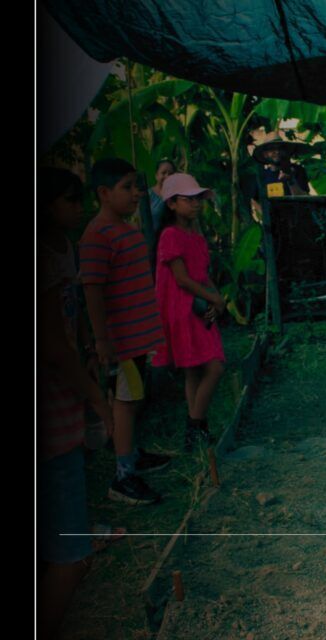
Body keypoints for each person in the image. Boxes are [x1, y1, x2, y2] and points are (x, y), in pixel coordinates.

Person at [37, 168, 113, 639]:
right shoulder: (46, 259)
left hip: (61, 402)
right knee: (70, 558)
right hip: (53, 410)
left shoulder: (63, 249)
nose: (78, 208)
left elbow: (70, 331)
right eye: (70, 200)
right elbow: (52, 345)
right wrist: (96, 401)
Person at [79, 158, 170, 506]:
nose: (137, 193)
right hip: (120, 341)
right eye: (127, 187)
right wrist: (102, 340)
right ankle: (123, 476)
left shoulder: (126, 230)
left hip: (138, 337)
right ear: (104, 193)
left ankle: (131, 454)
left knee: (133, 400)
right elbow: (92, 290)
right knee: (125, 403)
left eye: (137, 186)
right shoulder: (98, 236)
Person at [153, 174, 226, 450]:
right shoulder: (170, 235)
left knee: (195, 370)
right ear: (172, 204)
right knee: (215, 366)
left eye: (198, 199)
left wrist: (216, 299)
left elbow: (202, 274)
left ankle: (197, 427)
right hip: (183, 309)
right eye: (189, 199)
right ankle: (195, 425)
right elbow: (182, 279)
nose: (196, 205)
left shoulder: (196, 235)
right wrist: (214, 299)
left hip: (199, 305)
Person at [247, 128, 310, 209]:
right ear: (265, 154)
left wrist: (291, 181)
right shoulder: (261, 176)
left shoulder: (297, 170)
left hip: (297, 219)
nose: (277, 151)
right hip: (274, 220)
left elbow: (305, 199)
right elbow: (254, 200)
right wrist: (265, 216)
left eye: (280, 148)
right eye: (272, 149)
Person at [148, 158, 176, 231]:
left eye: (170, 174)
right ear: (156, 175)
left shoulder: (176, 196)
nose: (167, 176)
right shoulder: (147, 195)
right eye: (163, 173)